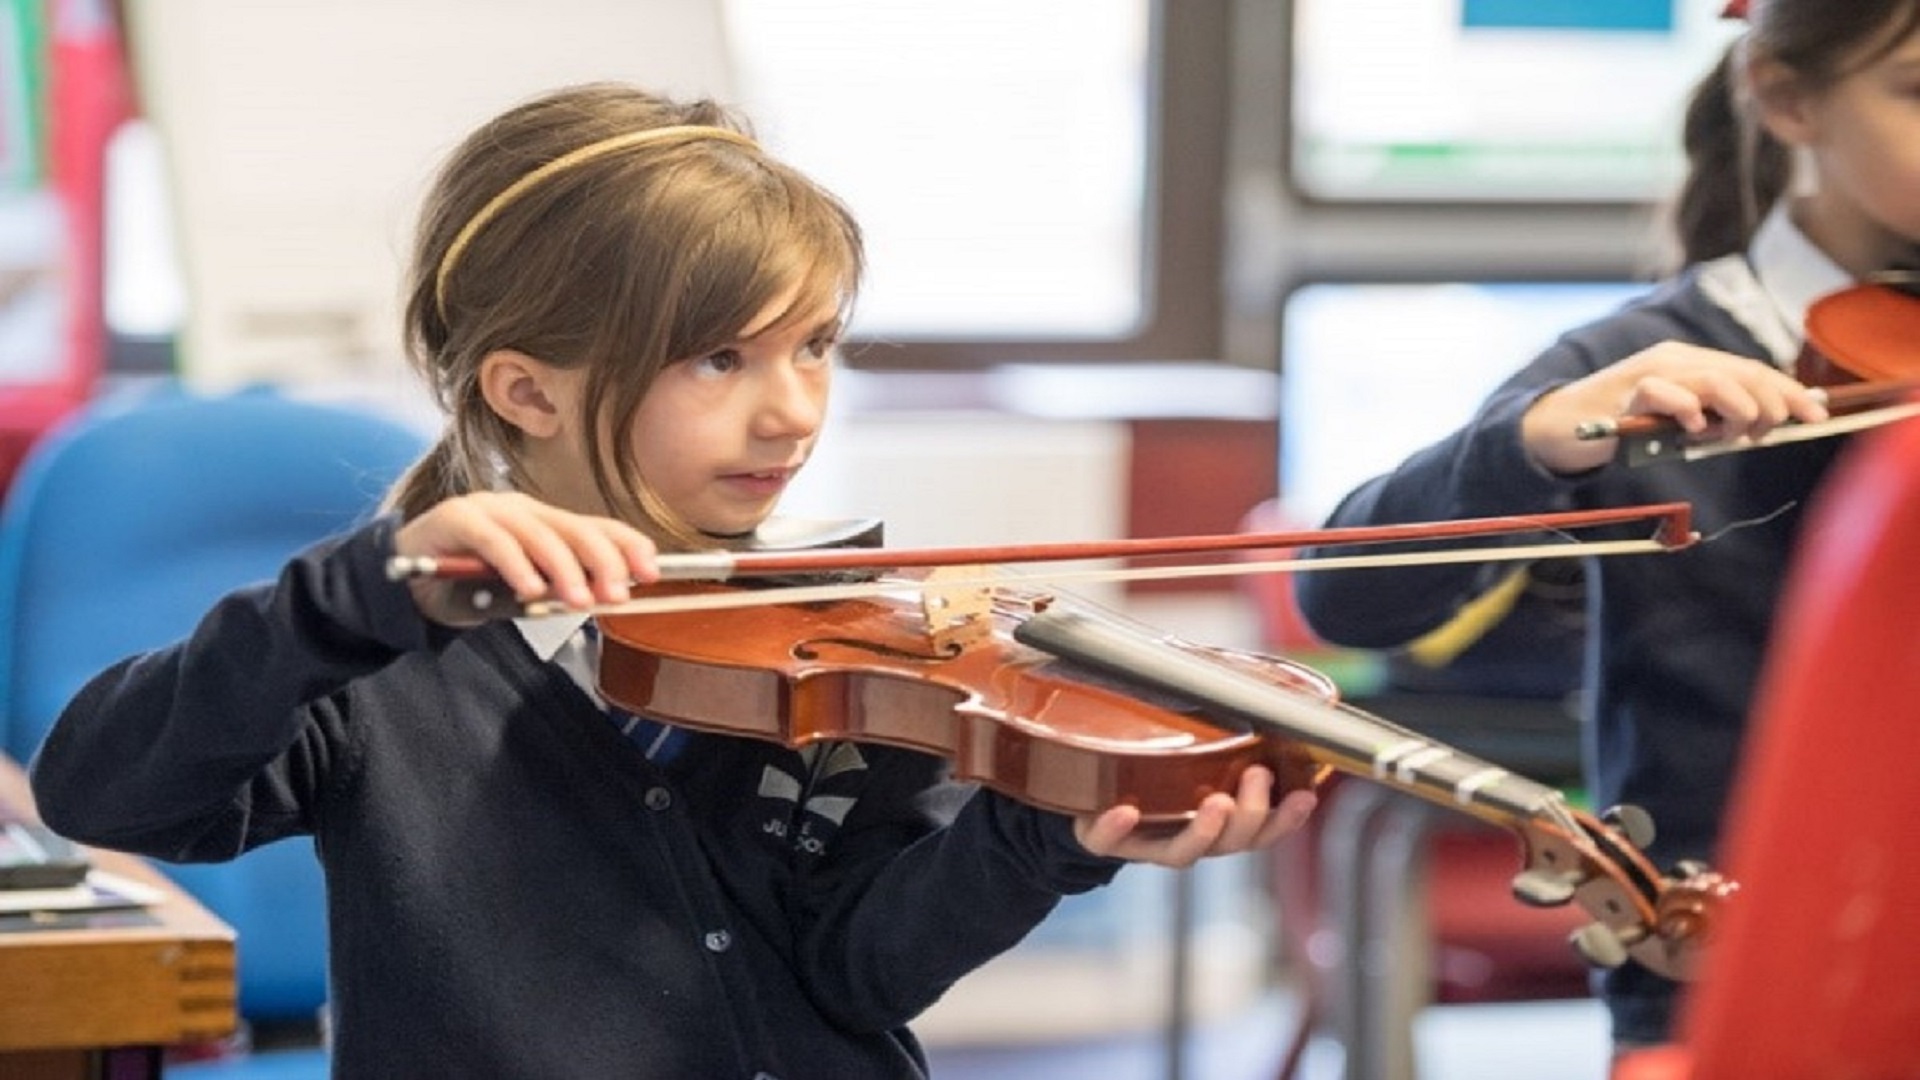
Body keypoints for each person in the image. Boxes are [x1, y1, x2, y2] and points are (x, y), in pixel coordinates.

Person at [27, 83, 1316, 1078]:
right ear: (527, 390)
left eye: (815, 346)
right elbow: (108, 785)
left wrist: (1048, 836)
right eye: (720, 360)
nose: (793, 413)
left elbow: (857, 972)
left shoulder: (839, 644)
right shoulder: (378, 657)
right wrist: (345, 601)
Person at [1290, 0, 1920, 1058]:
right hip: (1719, 967)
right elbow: (1348, 594)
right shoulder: (1655, 361)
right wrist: (1533, 438)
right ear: (1786, 98)